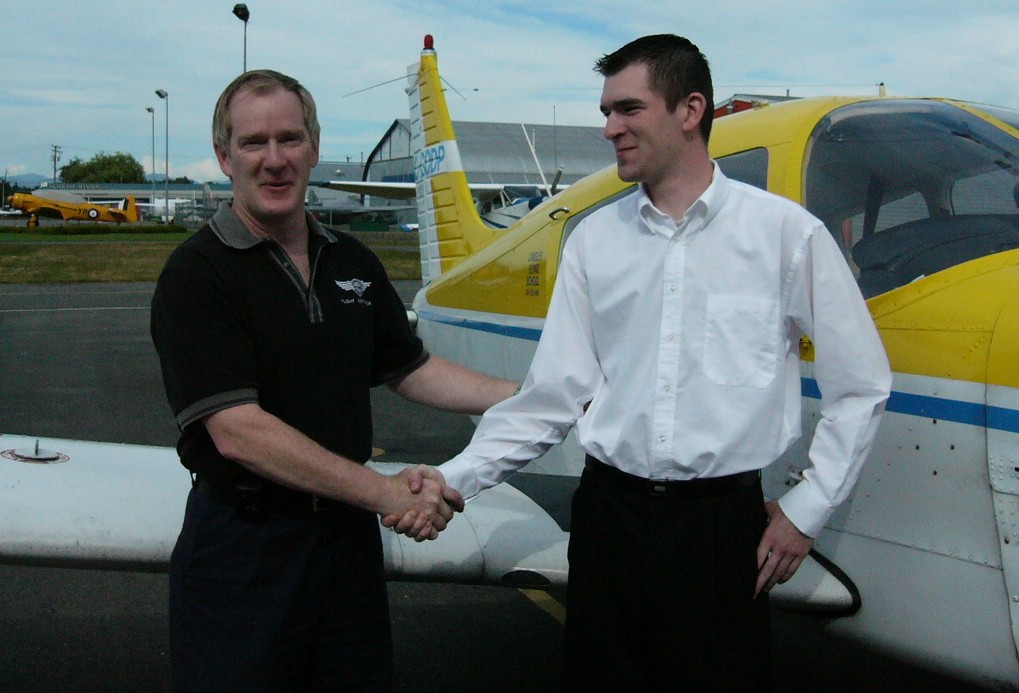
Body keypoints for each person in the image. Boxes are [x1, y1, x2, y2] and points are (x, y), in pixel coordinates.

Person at [391, 34, 892, 690]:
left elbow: (861, 384)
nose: (608, 128)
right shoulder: (594, 241)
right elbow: (552, 397)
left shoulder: (784, 236)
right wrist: (454, 479)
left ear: (689, 110)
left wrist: (805, 510)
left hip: (720, 530)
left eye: (627, 109)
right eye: (606, 111)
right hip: (609, 521)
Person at [150, 69, 516, 692]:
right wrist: (386, 494)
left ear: (314, 147)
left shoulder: (350, 260)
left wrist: (536, 401)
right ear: (223, 156)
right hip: (246, 549)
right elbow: (240, 432)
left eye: (290, 139)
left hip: (346, 550)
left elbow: (411, 369)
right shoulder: (197, 276)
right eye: (253, 143)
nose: (274, 160)